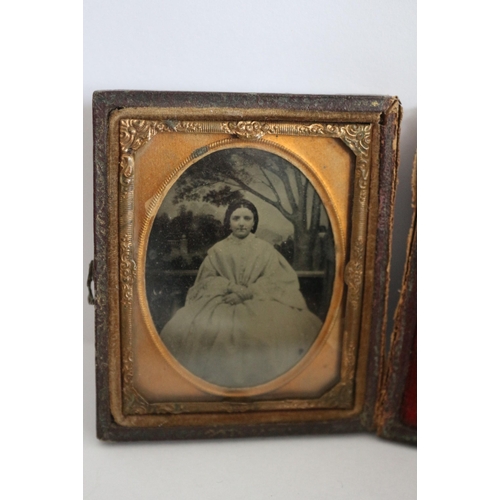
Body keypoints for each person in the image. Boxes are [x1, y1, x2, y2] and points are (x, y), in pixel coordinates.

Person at [160, 199, 323, 388]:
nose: (242, 223)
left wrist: (248, 292)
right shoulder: (218, 250)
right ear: (229, 222)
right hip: (221, 300)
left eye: (247, 218)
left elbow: (275, 279)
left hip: (260, 300)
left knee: (270, 333)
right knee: (192, 329)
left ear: (254, 223)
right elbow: (207, 280)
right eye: (236, 218)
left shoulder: (265, 250)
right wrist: (231, 286)